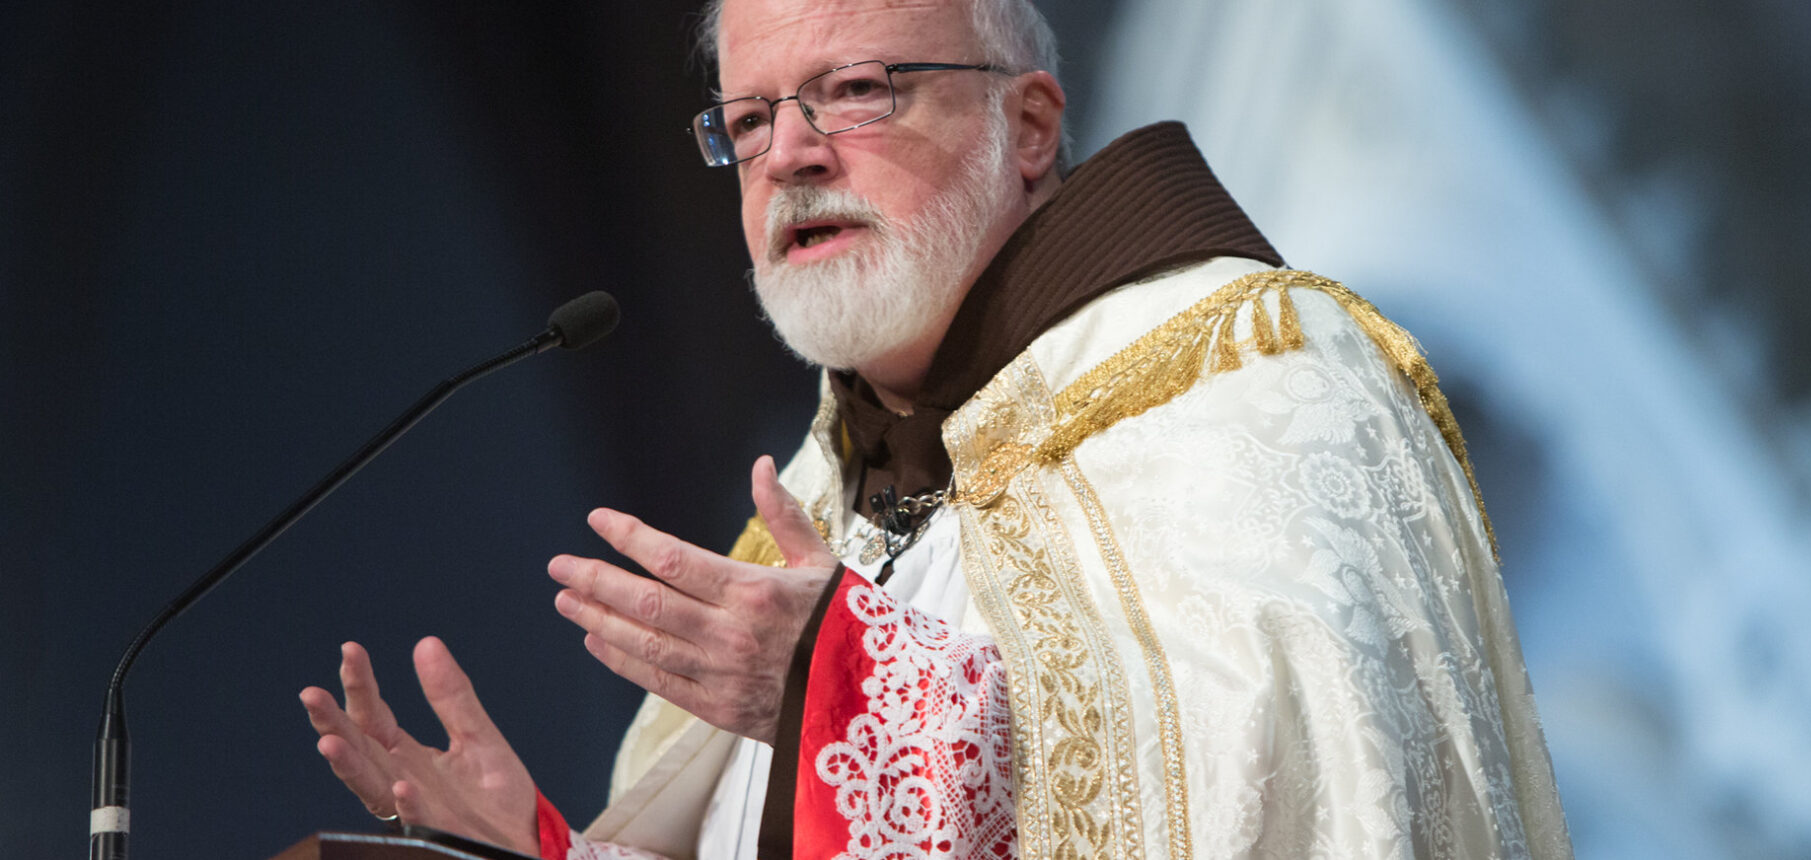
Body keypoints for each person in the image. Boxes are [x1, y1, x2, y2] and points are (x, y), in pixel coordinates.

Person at [299, 0, 1575, 856]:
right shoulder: (816, 502)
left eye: (853, 93)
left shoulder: (1258, 378)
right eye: (747, 122)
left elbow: (1309, 799)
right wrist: (543, 849)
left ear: (1027, 126)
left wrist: (866, 698)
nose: (789, 154)